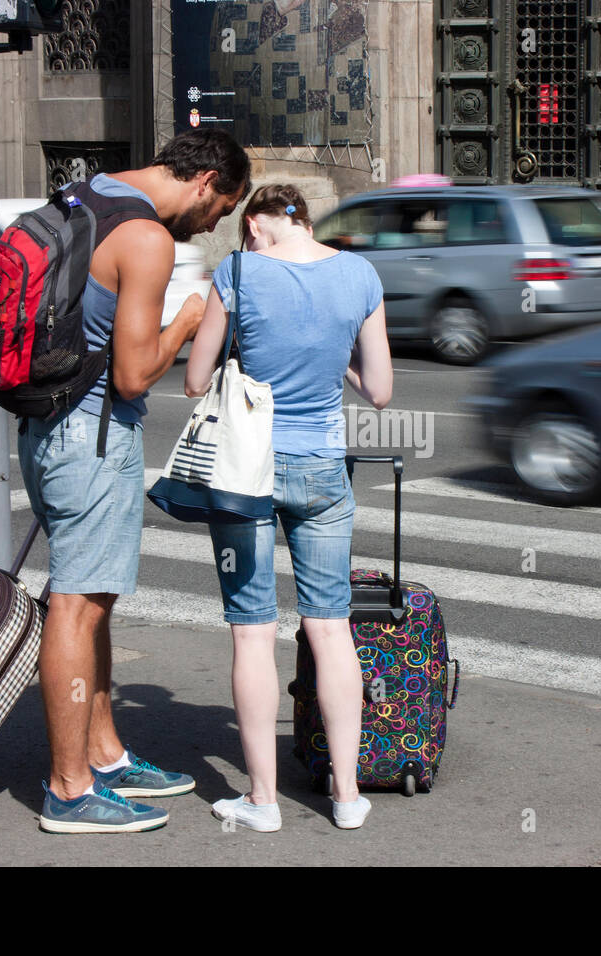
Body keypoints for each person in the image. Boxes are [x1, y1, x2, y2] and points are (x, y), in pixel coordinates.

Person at [23, 129, 251, 834]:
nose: (213, 225)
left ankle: (107, 756)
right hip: (92, 437)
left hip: (46, 428)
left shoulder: (83, 195)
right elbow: (132, 371)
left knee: (91, 602)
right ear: (206, 179)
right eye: (221, 209)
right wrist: (186, 319)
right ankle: (68, 789)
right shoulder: (145, 237)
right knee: (75, 606)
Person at [184, 183, 393, 832]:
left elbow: (196, 380)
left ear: (254, 226)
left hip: (248, 470)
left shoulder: (239, 269)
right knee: (329, 628)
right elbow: (381, 390)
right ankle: (348, 795)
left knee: (252, 632)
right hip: (325, 470)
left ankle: (263, 801)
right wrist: (340, 363)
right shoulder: (359, 274)